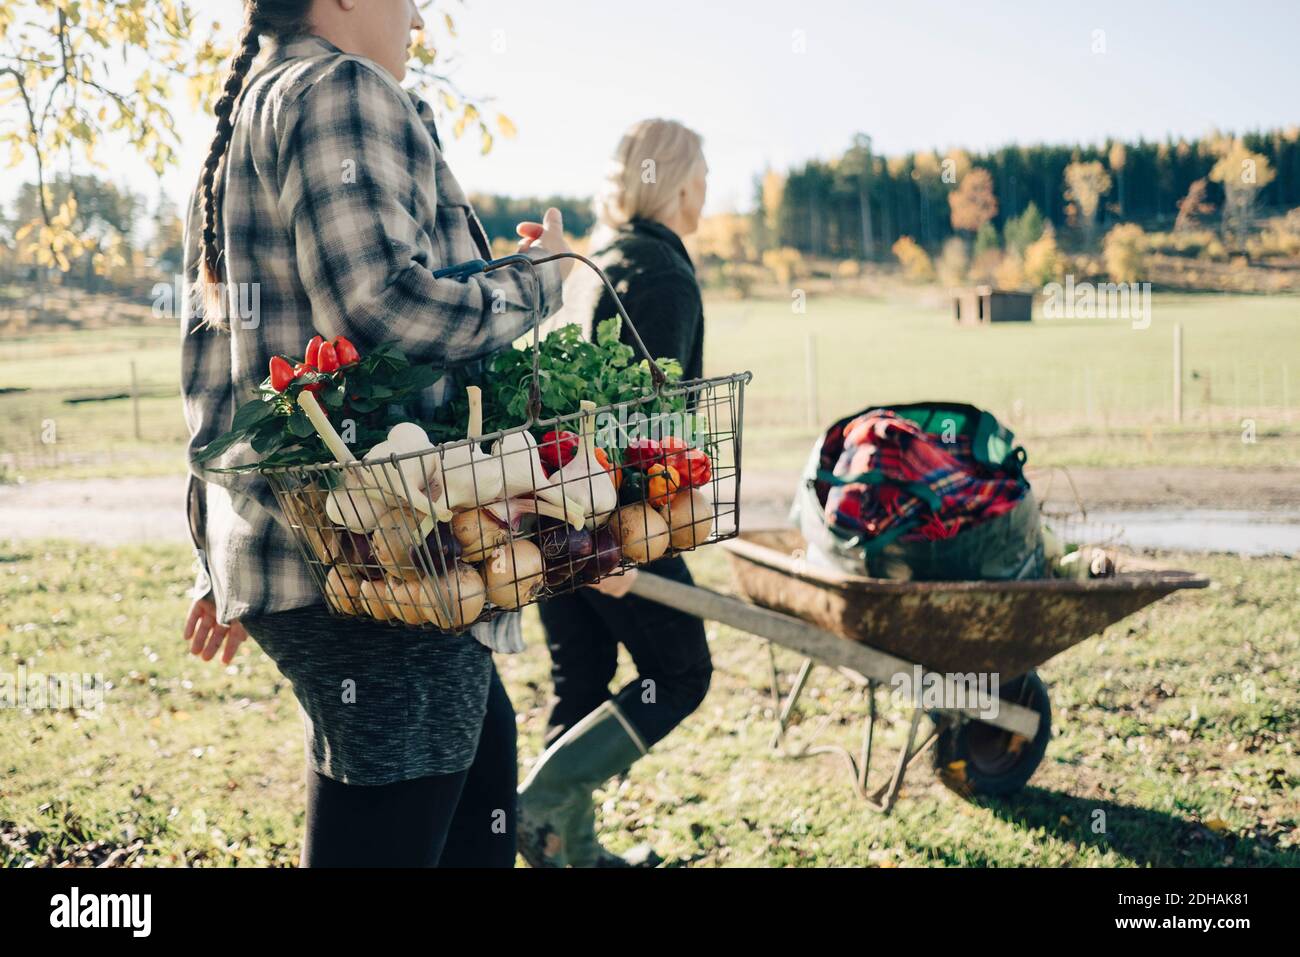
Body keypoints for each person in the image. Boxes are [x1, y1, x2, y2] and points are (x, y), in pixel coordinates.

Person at [179, 0, 573, 867]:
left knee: (477, 792)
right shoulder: (339, 89)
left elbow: (213, 371)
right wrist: (535, 284)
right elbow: (381, 307)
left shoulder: (256, 102)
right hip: (378, 553)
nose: (422, 18)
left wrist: (225, 551)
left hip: (338, 557)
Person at [518, 119, 712, 868]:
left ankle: (562, 848)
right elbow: (642, 419)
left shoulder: (606, 261)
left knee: (583, 680)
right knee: (682, 671)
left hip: (552, 502)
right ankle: (541, 805)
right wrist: (620, 541)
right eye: (704, 173)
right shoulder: (661, 274)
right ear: (684, 181)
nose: (708, 188)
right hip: (612, 520)